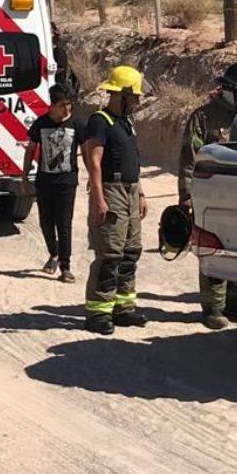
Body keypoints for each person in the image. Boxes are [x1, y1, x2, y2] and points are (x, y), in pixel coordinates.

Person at [178, 61, 237, 329]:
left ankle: (234, 302)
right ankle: (212, 308)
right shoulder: (204, 118)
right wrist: (186, 197)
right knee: (214, 249)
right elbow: (188, 159)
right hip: (212, 198)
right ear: (229, 92)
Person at [82, 65, 148, 336]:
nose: (138, 102)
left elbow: (134, 161)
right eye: (134, 97)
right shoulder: (100, 121)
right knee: (110, 254)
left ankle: (124, 308)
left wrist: (141, 193)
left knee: (130, 252)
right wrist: (99, 200)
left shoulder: (126, 123)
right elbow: (94, 163)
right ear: (120, 94)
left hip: (131, 191)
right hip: (111, 192)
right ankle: (99, 312)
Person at [22, 83, 84, 284]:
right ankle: (53, 253)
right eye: (63, 105)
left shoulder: (76, 124)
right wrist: (24, 176)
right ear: (53, 106)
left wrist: (94, 175)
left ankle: (65, 267)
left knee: (64, 224)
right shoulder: (40, 124)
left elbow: (90, 150)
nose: (67, 109)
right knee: (46, 222)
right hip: (44, 182)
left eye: (69, 105)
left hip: (67, 183)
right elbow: (30, 150)